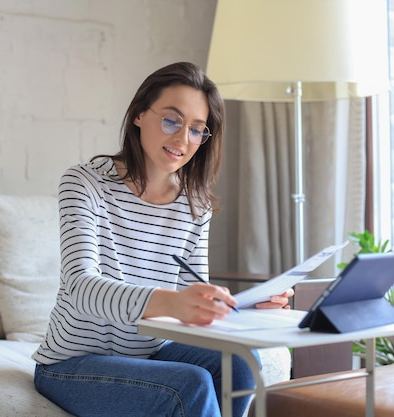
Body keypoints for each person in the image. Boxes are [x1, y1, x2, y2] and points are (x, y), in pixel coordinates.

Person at [32, 61, 293, 417]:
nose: (183, 139)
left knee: (241, 363)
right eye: (172, 120)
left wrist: (246, 308)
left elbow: (192, 293)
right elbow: (80, 288)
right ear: (139, 114)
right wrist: (171, 303)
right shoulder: (85, 183)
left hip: (149, 355)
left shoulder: (194, 204)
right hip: (72, 364)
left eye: (198, 130)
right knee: (190, 385)